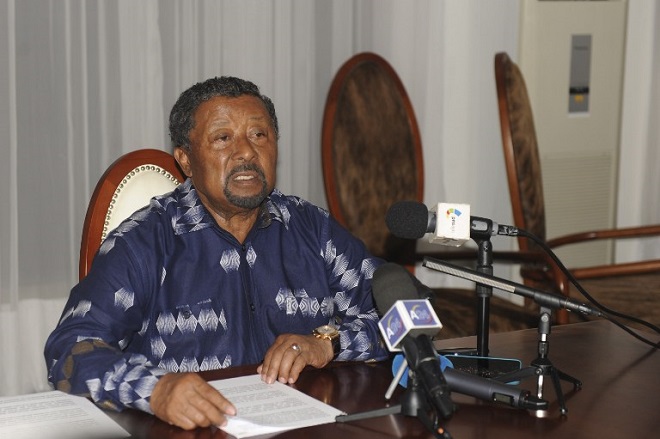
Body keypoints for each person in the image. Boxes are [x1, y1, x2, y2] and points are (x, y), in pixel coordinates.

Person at [44, 76, 389, 430]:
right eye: (223, 139)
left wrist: (330, 342)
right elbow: (70, 351)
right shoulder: (144, 243)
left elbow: (409, 316)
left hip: (304, 428)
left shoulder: (312, 230)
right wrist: (155, 390)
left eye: (259, 135)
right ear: (186, 161)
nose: (246, 152)